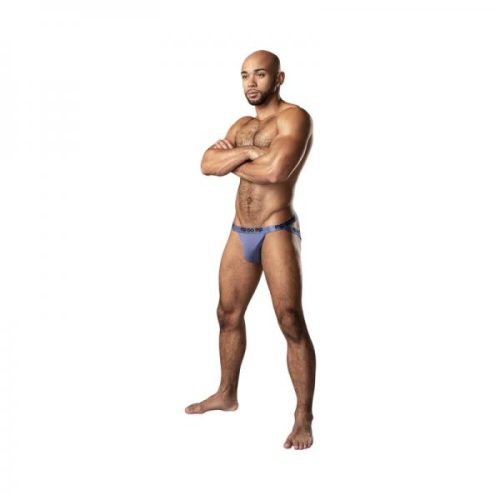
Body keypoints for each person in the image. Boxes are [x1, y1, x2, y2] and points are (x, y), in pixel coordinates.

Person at [185, 49, 316, 450]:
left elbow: (276, 171)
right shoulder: (242, 126)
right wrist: (245, 153)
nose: (251, 83)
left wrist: (230, 162)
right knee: (227, 314)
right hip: (240, 229)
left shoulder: (295, 118)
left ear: (278, 78)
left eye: (260, 74)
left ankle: (303, 416)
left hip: (276, 229)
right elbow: (206, 163)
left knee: (290, 320)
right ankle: (227, 394)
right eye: (245, 76)